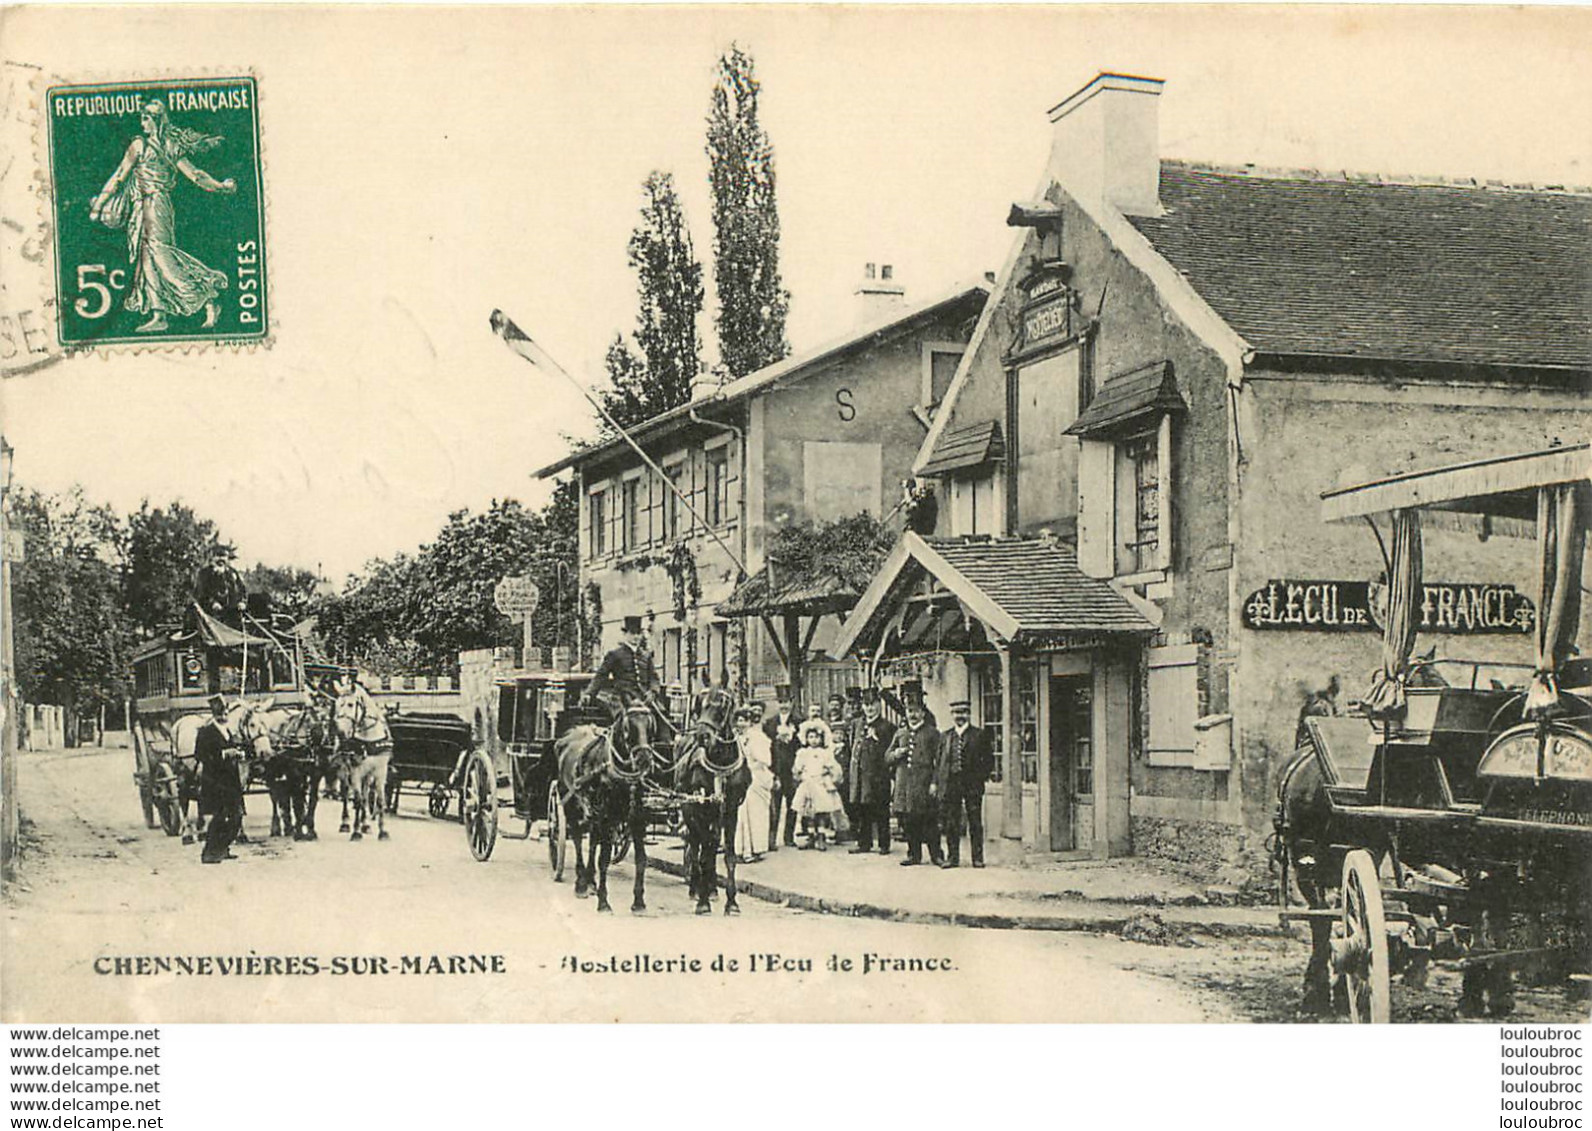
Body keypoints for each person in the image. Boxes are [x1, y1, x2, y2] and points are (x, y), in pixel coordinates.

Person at [89, 100, 236, 333]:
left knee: (161, 256)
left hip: (156, 205)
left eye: (146, 118)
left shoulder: (158, 145)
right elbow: (119, 175)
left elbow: (196, 175)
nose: (142, 122)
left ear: (157, 121)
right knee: (146, 259)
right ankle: (159, 314)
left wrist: (220, 186)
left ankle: (208, 295)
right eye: (142, 118)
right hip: (142, 206)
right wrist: (100, 203)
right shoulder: (146, 145)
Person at [937, 700, 995, 868]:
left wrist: (980, 778)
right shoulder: (946, 736)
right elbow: (940, 761)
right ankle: (952, 858)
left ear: (968, 714)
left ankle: (977, 858)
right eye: (956, 713)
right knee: (951, 822)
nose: (959, 716)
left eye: (963, 712)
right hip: (952, 784)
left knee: (974, 821)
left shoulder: (979, 735)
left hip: (972, 785)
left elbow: (989, 760)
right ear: (952, 715)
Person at [888, 696, 943, 866]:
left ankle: (936, 855)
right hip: (904, 784)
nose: (913, 715)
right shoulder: (900, 733)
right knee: (908, 821)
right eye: (910, 711)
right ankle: (914, 855)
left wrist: (935, 783)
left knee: (929, 820)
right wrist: (896, 754)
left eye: (916, 711)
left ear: (923, 713)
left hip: (924, 783)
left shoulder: (932, 733)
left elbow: (939, 761)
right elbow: (887, 757)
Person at [583, 615, 659, 726]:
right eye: (632, 633)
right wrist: (589, 693)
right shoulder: (615, 655)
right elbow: (601, 675)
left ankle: (666, 743)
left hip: (643, 697)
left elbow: (653, 677)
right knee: (622, 719)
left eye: (638, 633)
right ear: (625, 634)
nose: (636, 637)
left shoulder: (646, 656)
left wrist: (652, 691)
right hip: (621, 697)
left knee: (661, 716)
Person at [847, 688, 895, 854]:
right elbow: (852, 747)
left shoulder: (887, 727)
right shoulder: (856, 723)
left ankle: (884, 844)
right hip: (860, 775)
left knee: (880, 810)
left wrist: (877, 739)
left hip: (878, 776)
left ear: (879, 705)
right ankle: (864, 843)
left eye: (873, 704)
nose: (869, 708)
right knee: (862, 809)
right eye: (866, 705)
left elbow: (889, 752)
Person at [196, 696, 242, 864]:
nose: (224, 716)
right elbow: (200, 755)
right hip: (215, 781)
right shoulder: (205, 732)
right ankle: (209, 852)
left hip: (231, 780)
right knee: (219, 817)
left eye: (226, 713)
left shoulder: (228, 731)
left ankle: (223, 847)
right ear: (215, 715)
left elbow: (233, 748)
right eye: (222, 713)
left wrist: (238, 752)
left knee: (236, 816)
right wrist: (223, 754)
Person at [792, 720, 846, 850]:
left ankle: (821, 836)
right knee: (807, 812)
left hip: (820, 784)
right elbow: (797, 768)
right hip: (807, 783)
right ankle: (811, 835)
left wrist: (831, 776)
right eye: (811, 737)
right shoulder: (803, 753)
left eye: (816, 737)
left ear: (821, 738)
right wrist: (799, 775)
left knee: (821, 811)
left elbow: (833, 767)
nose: (814, 740)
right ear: (806, 738)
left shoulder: (825, 753)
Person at [733, 707, 773, 863]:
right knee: (741, 813)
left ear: (750, 722)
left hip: (756, 777)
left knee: (755, 813)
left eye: (745, 720)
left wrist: (752, 761)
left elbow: (765, 760)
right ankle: (741, 849)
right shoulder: (735, 737)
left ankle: (755, 849)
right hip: (739, 777)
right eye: (739, 720)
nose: (741, 724)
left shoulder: (757, 737)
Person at [762, 688, 801, 849]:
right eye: (781, 702)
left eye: (786, 702)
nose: (783, 705)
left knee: (793, 805)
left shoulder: (799, 722)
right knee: (774, 806)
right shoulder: (770, 723)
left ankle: (789, 837)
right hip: (775, 769)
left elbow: (802, 746)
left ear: (791, 703)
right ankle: (771, 839)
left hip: (791, 770)